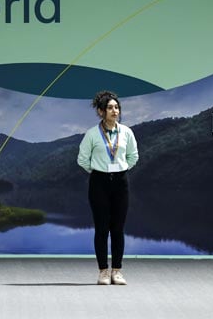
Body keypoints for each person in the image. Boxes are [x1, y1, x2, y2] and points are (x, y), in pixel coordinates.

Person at [77, 90, 138, 285]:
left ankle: (117, 271)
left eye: (117, 107)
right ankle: (103, 271)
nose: (115, 110)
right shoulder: (92, 134)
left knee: (118, 229)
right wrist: (98, 172)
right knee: (102, 229)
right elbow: (82, 159)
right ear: (101, 111)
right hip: (99, 183)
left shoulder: (127, 132)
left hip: (121, 182)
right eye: (110, 107)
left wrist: (120, 169)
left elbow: (133, 156)